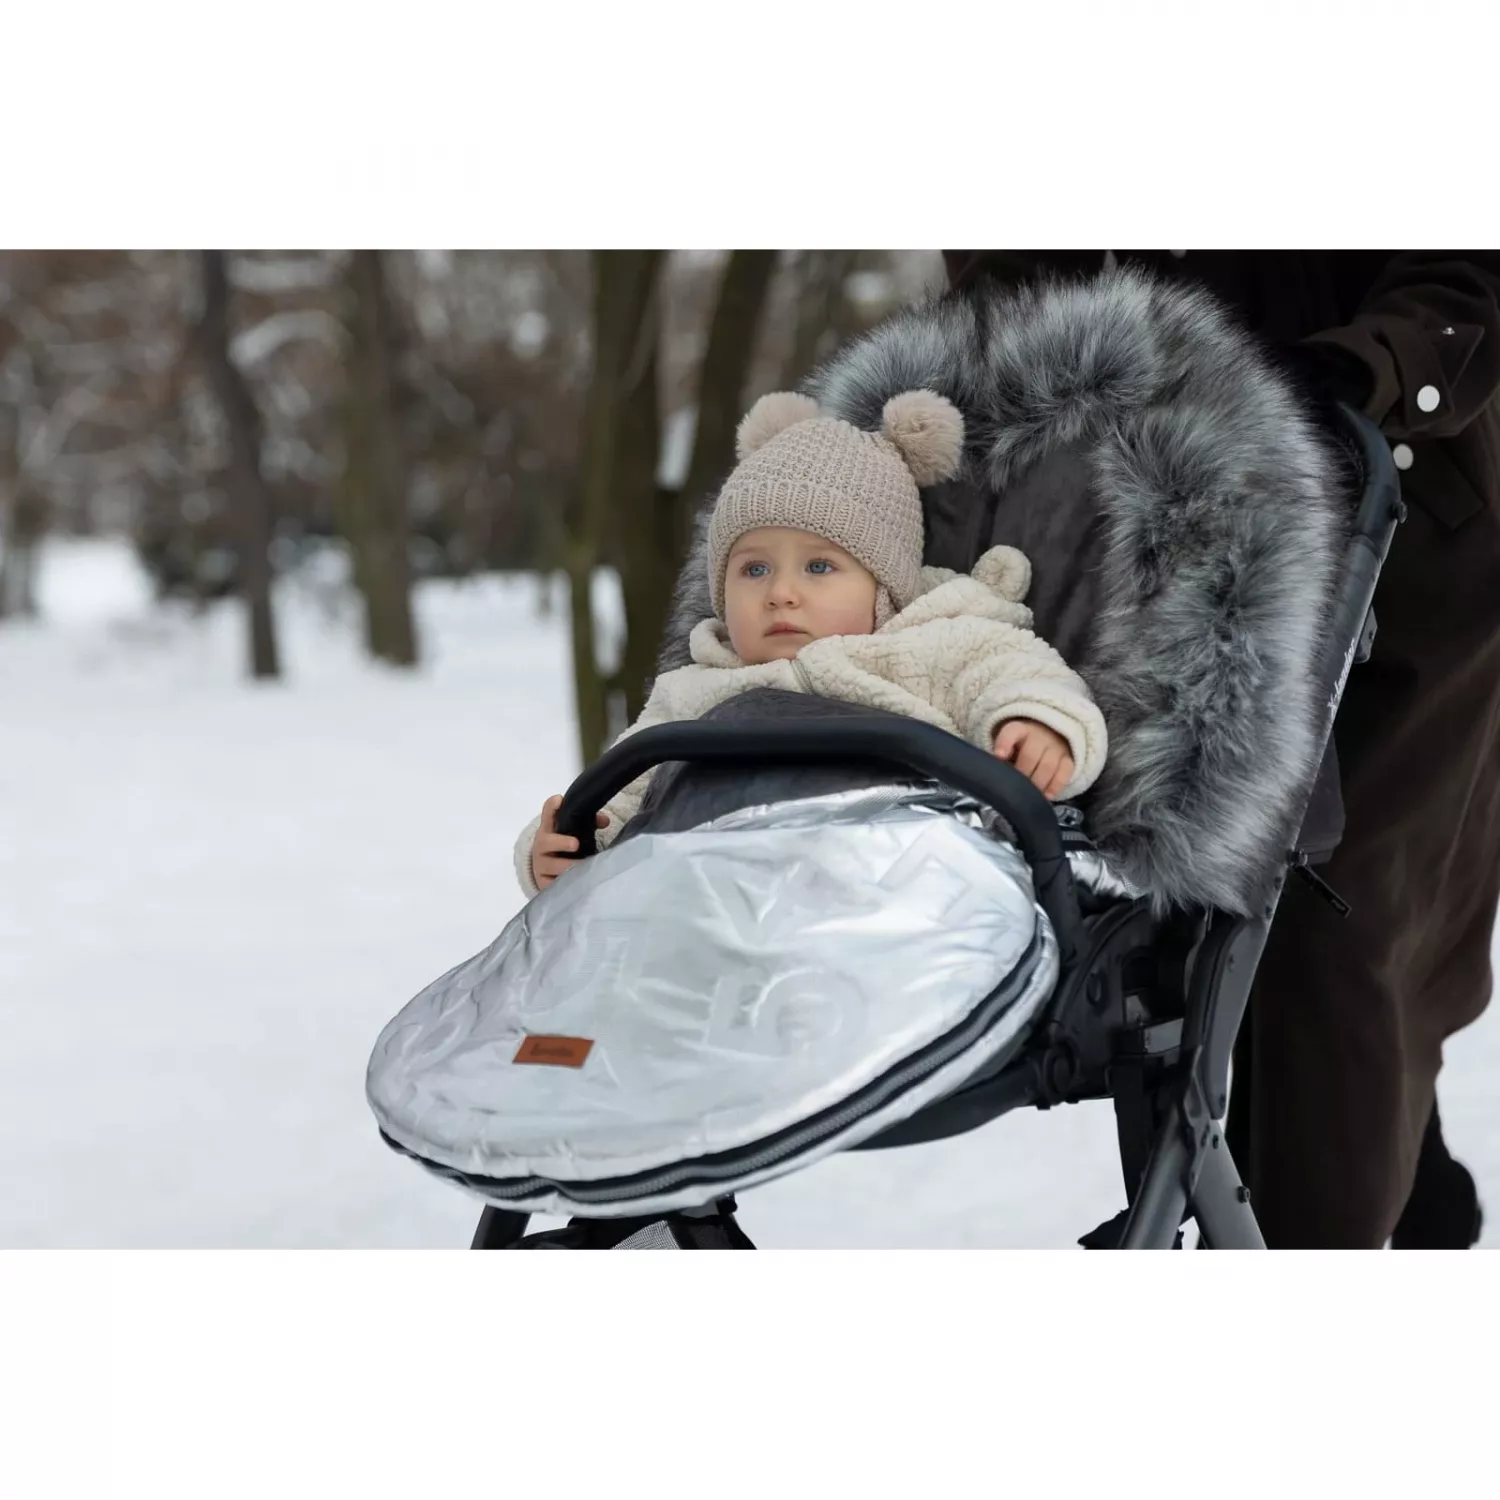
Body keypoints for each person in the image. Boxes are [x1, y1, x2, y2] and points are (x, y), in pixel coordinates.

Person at [943, 251, 1500, 1249]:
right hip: (1157, 555)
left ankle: (1328, 1227)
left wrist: (1361, 368)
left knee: (1335, 920)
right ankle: (1366, 1170)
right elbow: (1011, 287)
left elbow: (1465, 280)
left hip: (1399, 540)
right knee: (1184, 931)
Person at [516, 387, 1107, 896]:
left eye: (819, 567)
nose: (780, 593)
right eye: (753, 570)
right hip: (722, 909)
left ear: (885, 586)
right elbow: (615, 801)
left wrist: (1040, 725)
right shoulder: (689, 694)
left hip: (908, 893)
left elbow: (1023, 675)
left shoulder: (941, 642)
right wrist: (558, 847)